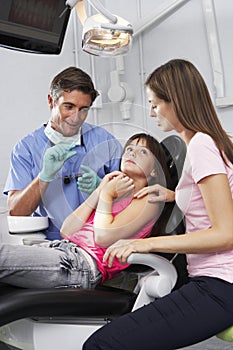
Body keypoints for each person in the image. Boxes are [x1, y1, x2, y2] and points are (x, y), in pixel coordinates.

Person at [83, 59, 233, 350]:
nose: (151, 112)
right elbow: (220, 196)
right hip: (216, 281)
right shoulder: (214, 141)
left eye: (155, 104)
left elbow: (226, 233)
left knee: (102, 346)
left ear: (175, 101)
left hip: (221, 285)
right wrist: (174, 195)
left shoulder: (201, 145)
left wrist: (145, 245)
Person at [0, 133, 171, 289]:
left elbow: (103, 238)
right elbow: (67, 231)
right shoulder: (116, 193)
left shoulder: (149, 200)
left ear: (154, 170)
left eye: (143, 152)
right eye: (129, 149)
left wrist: (106, 195)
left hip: (81, 264)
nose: (132, 153)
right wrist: (98, 192)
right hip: (64, 249)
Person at [4, 67, 122, 240]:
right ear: (51, 101)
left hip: (98, 241)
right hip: (51, 244)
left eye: (84, 109)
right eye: (69, 107)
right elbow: (17, 211)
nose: (76, 117)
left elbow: (130, 202)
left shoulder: (105, 142)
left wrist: (102, 189)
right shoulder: (26, 149)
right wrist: (44, 177)